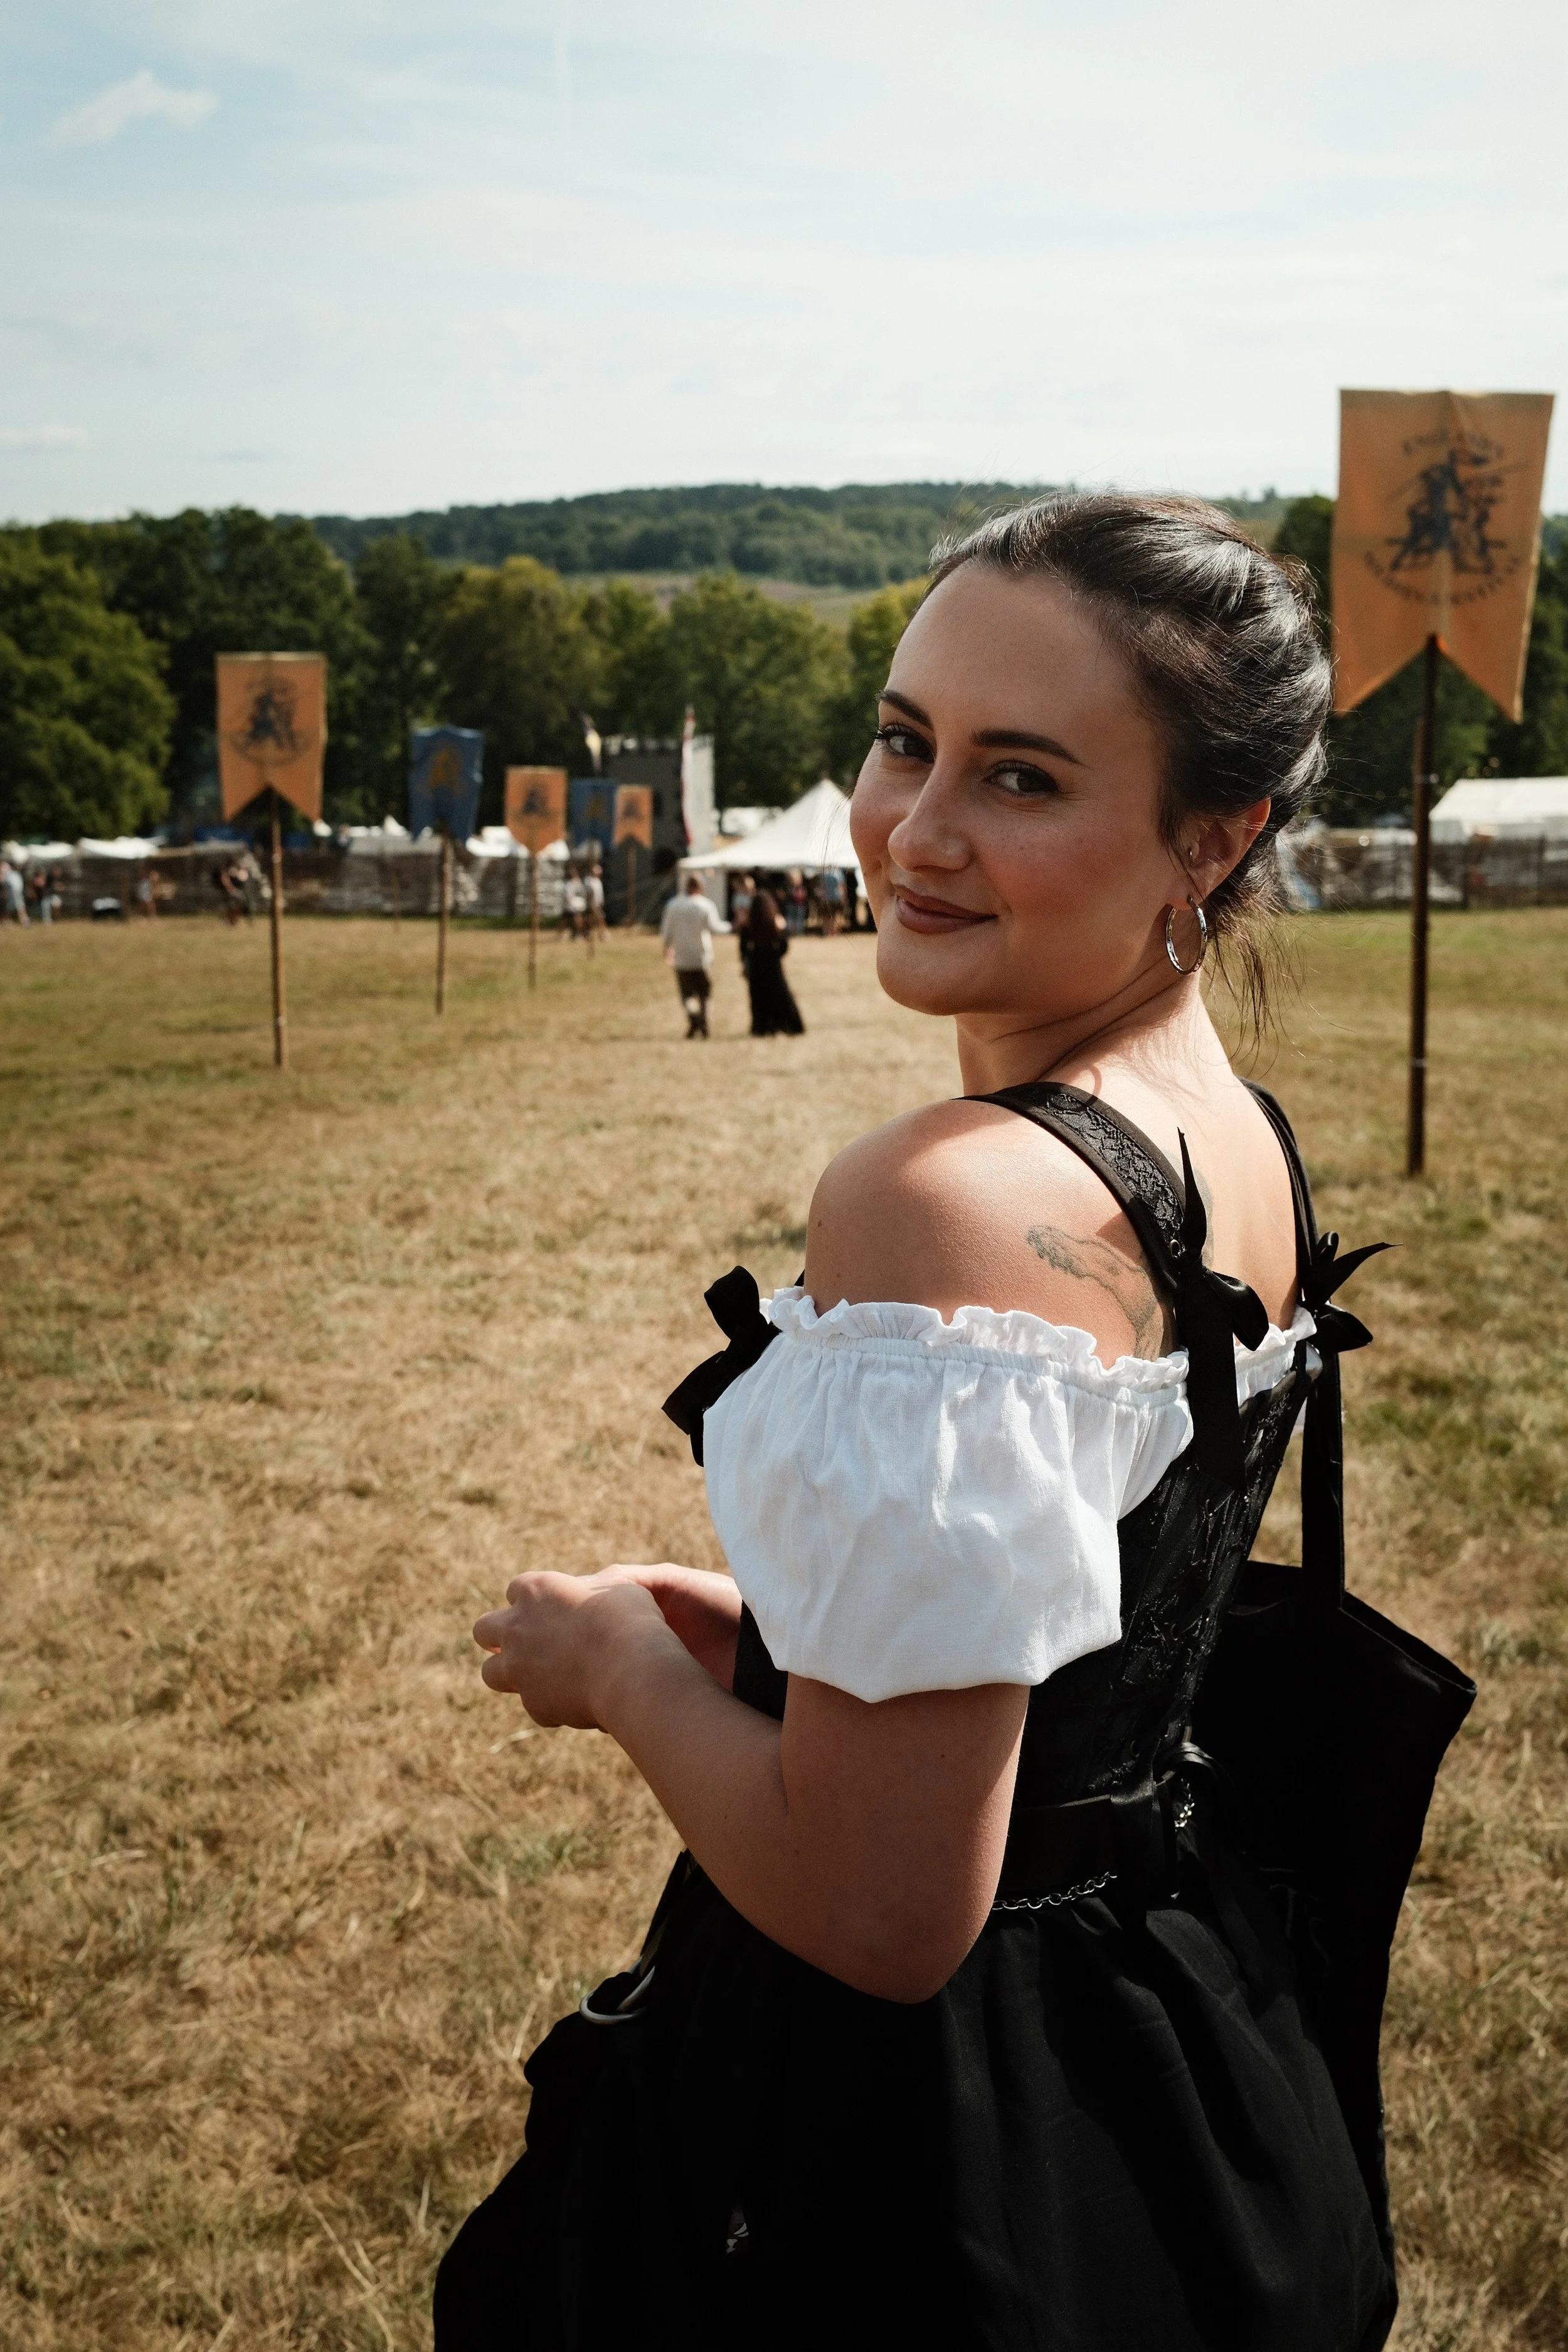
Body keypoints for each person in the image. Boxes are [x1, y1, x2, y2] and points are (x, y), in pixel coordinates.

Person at [438, 497, 1399, 2350]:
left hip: (936, 2138)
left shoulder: (943, 1194)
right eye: (902, 740)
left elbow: (886, 1910)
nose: (912, 829)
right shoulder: (1236, 1135)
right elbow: (1084, 1630)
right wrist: (793, 1659)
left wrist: (623, 1669)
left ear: (1214, 833)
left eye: (1019, 776)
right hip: (1179, 2012)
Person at [659, 873, 728, 1038]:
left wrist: (667, 948)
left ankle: (694, 1019)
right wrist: (734, 925)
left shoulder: (674, 905)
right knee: (705, 994)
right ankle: (702, 1022)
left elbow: (666, 931)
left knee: (686, 995)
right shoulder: (705, 905)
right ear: (700, 887)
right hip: (701, 956)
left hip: (682, 957)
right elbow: (715, 927)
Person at [738, 886, 804, 1036]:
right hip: (773, 964)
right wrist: (776, 952)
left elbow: (743, 947)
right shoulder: (774, 923)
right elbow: (784, 946)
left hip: (756, 963)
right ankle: (787, 1025)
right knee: (780, 995)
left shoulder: (749, 924)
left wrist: (747, 960)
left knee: (758, 997)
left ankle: (762, 1027)